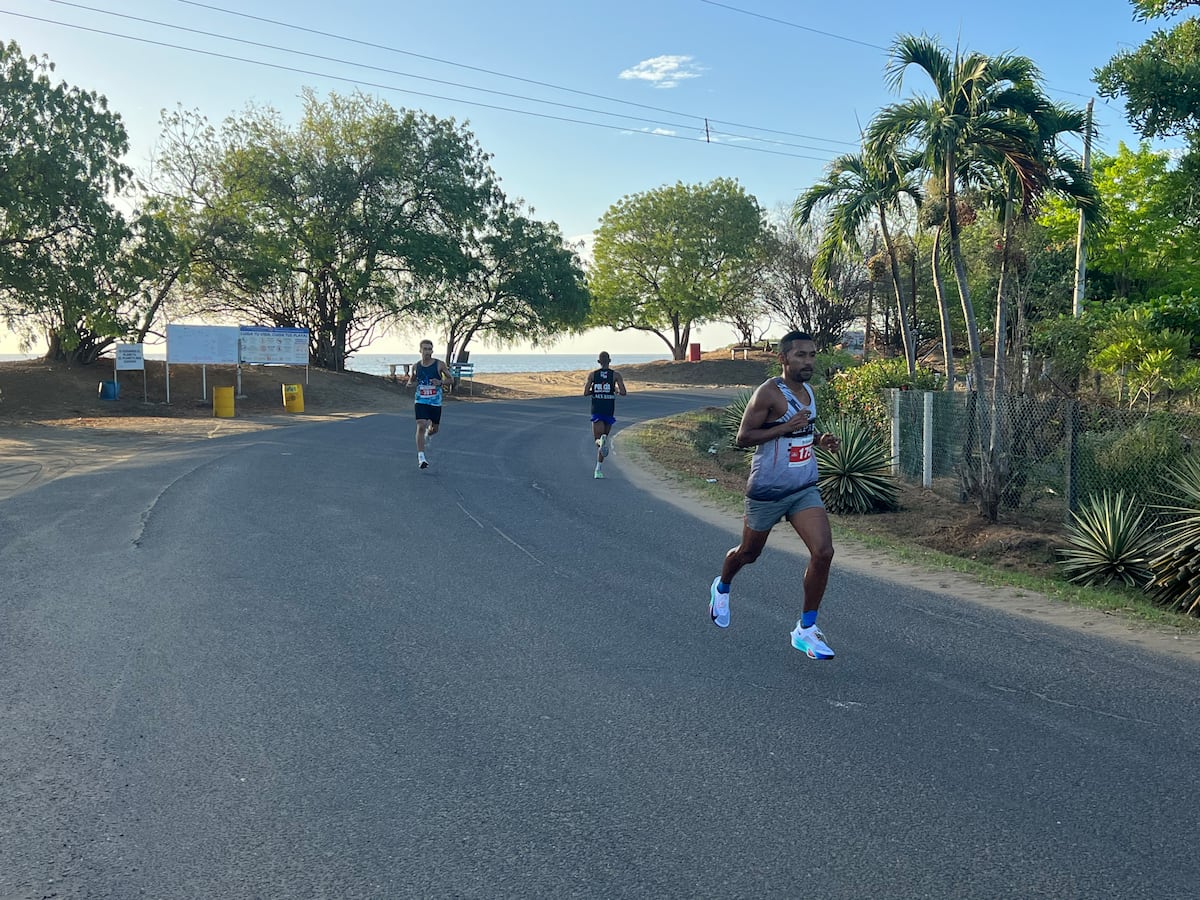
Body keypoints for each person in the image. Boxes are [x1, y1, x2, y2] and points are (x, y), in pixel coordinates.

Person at [708, 330, 843, 659]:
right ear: (782, 359)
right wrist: (786, 426)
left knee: (823, 552)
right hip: (767, 491)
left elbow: (802, 432)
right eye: (800, 355)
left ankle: (806, 629)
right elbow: (743, 438)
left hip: (802, 488)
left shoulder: (809, 391)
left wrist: (818, 440)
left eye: (812, 355)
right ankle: (722, 586)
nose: (808, 361)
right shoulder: (768, 393)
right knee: (748, 554)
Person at [406, 340, 454, 469]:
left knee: (434, 429)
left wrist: (440, 382)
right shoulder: (416, 366)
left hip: (435, 402)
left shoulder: (439, 364)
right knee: (420, 425)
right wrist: (410, 384)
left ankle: (429, 432)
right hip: (421, 401)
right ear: (420, 350)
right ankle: (421, 457)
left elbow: (451, 379)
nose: (428, 351)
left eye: (430, 349)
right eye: (425, 349)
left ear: (432, 351)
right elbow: (412, 381)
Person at [583, 351, 627, 479]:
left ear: (598, 362)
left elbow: (585, 392)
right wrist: (615, 390)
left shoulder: (592, 375)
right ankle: (598, 468)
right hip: (609, 410)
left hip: (596, 409)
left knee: (598, 441)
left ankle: (599, 446)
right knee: (604, 440)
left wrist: (595, 391)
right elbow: (623, 392)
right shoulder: (616, 375)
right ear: (610, 361)